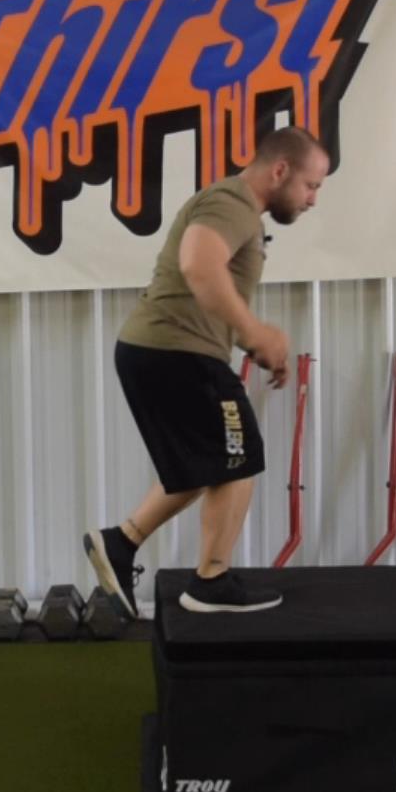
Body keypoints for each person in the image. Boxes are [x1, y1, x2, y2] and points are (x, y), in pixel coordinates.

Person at [82, 125, 330, 617]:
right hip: (174, 352)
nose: (313, 199)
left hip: (157, 350)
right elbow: (198, 265)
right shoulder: (232, 204)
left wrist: (252, 343)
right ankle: (211, 581)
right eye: (311, 185)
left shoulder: (236, 209)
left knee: (209, 462)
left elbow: (210, 288)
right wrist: (257, 333)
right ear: (279, 170)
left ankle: (120, 542)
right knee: (240, 456)